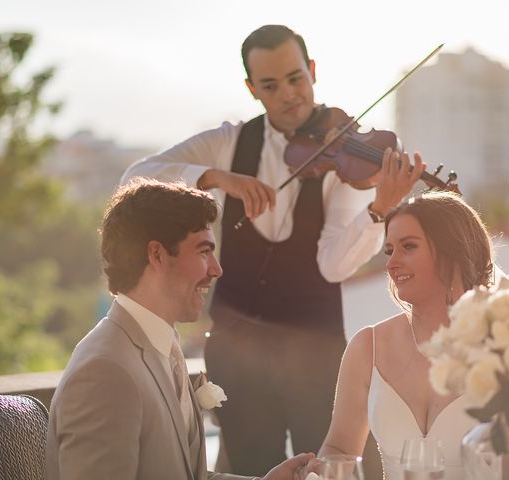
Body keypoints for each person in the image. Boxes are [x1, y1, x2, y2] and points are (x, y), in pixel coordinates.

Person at [121, 24, 423, 476]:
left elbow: (333, 263)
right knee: (251, 471)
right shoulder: (229, 142)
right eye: (270, 85)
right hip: (237, 355)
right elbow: (135, 178)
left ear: (313, 71)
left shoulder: (343, 152)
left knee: (327, 470)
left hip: (315, 355)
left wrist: (379, 208)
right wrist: (215, 177)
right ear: (251, 89)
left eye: (296, 78)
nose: (288, 95)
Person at [45, 178, 314, 480]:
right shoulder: (105, 371)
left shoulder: (162, 346)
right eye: (203, 251)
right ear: (157, 254)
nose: (216, 269)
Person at [315, 190, 494, 479]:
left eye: (408, 247)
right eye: (389, 251)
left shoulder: (507, 347)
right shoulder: (368, 347)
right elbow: (339, 448)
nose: (391, 263)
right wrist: (324, 469)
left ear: (453, 251)